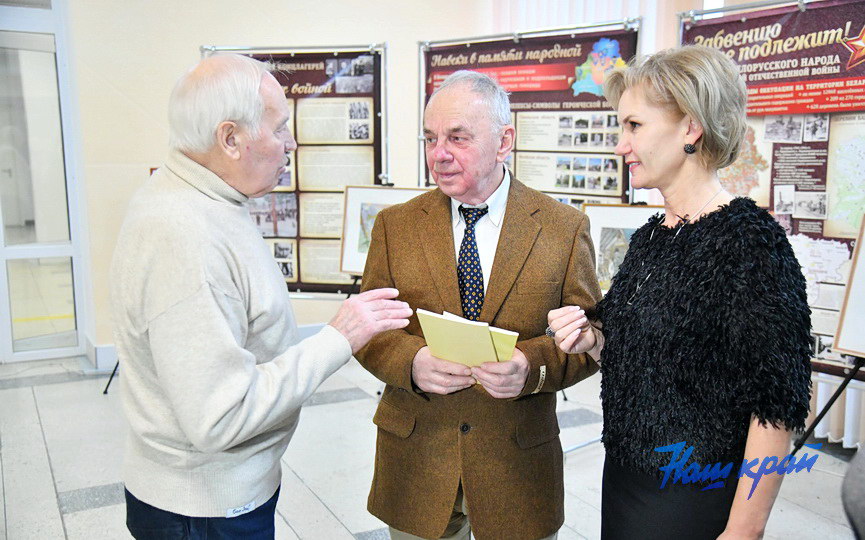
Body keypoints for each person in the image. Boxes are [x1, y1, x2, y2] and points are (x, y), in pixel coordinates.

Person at [110, 54, 412, 539]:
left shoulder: (204, 198)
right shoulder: (185, 237)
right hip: (203, 509)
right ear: (230, 139)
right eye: (279, 128)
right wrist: (338, 338)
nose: (291, 143)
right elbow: (221, 416)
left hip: (218, 497)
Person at [547, 46, 812, 540]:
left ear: (690, 128)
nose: (620, 146)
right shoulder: (652, 237)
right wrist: (594, 340)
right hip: (624, 483)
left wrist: (744, 530)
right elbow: (646, 359)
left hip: (691, 501)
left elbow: (778, 405)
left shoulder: (751, 244)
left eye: (634, 126)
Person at [355, 70, 603, 540]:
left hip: (517, 469)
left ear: (504, 141)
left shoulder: (563, 228)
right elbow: (368, 331)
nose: (439, 154)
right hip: (417, 464)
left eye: (458, 137)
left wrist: (529, 368)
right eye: (430, 138)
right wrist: (412, 363)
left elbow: (588, 339)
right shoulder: (394, 226)